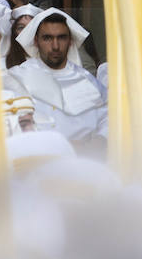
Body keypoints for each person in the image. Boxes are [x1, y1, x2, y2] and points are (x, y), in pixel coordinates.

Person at [10, 9, 107, 153]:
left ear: (70, 41)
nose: (55, 46)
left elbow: (109, 117)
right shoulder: (17, 78)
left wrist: (100, 141)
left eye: (61, 38)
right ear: (36, 41)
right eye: (47, 38)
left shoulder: (87, 81)